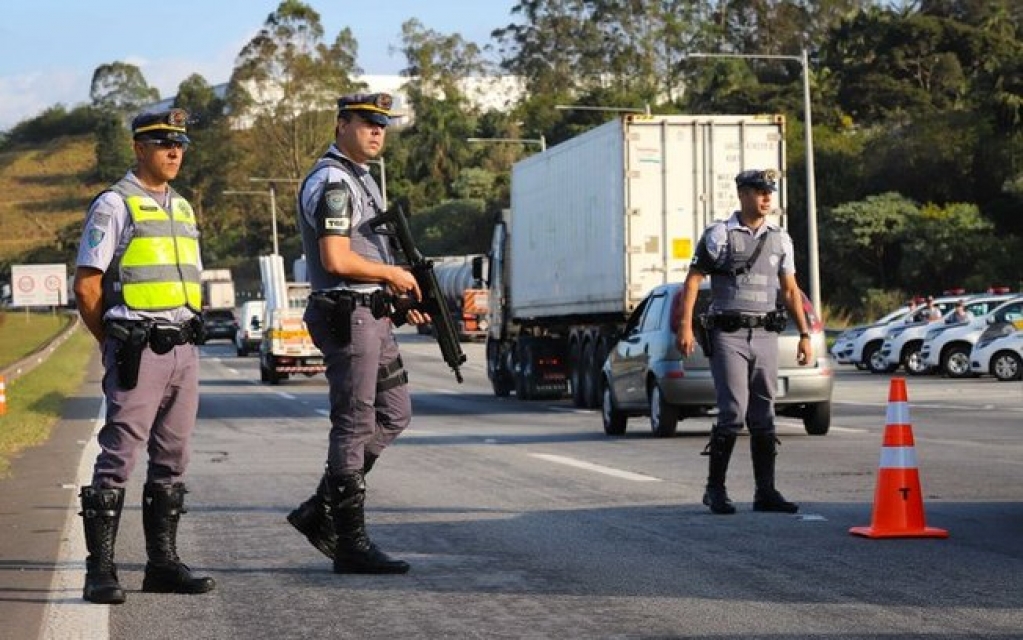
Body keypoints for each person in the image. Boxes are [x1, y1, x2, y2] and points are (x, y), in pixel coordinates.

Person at [72, 109, 215, 604]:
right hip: (137, 348)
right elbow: (88, 285)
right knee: (118, 457)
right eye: (162, 143)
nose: (174, 151)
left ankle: (163, 564)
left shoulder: (182, 207)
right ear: (138, 147)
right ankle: (102, 571)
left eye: (179, 144)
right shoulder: (115, 204)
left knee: (173, 458)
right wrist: (109, 341)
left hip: (182, 348)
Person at [288, 92, 429, 574]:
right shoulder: (332, 182)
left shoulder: (361, 180)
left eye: (382, 125)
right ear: (341, 124)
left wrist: (399, 293)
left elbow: (370, 255)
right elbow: (335, 259)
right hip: (349, 313)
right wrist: (392, 276)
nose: (376, 132)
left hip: (373, 311)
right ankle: (350, 542)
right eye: (367, 123)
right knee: (354, 422)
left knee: (394, 413)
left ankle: (320, 507)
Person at [677, 169, 813, 516]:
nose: (766, 197)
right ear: (742, 194)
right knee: (733, 412)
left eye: (769, 191)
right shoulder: (720, 235)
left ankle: (765, 492)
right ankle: (715, 489)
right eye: (759, 191)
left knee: (764, 414)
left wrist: (804, 334)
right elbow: (693, 281)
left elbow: (790, 290)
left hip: (766, 334)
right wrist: (685, 327)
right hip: (729, 335)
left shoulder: (780, 238)